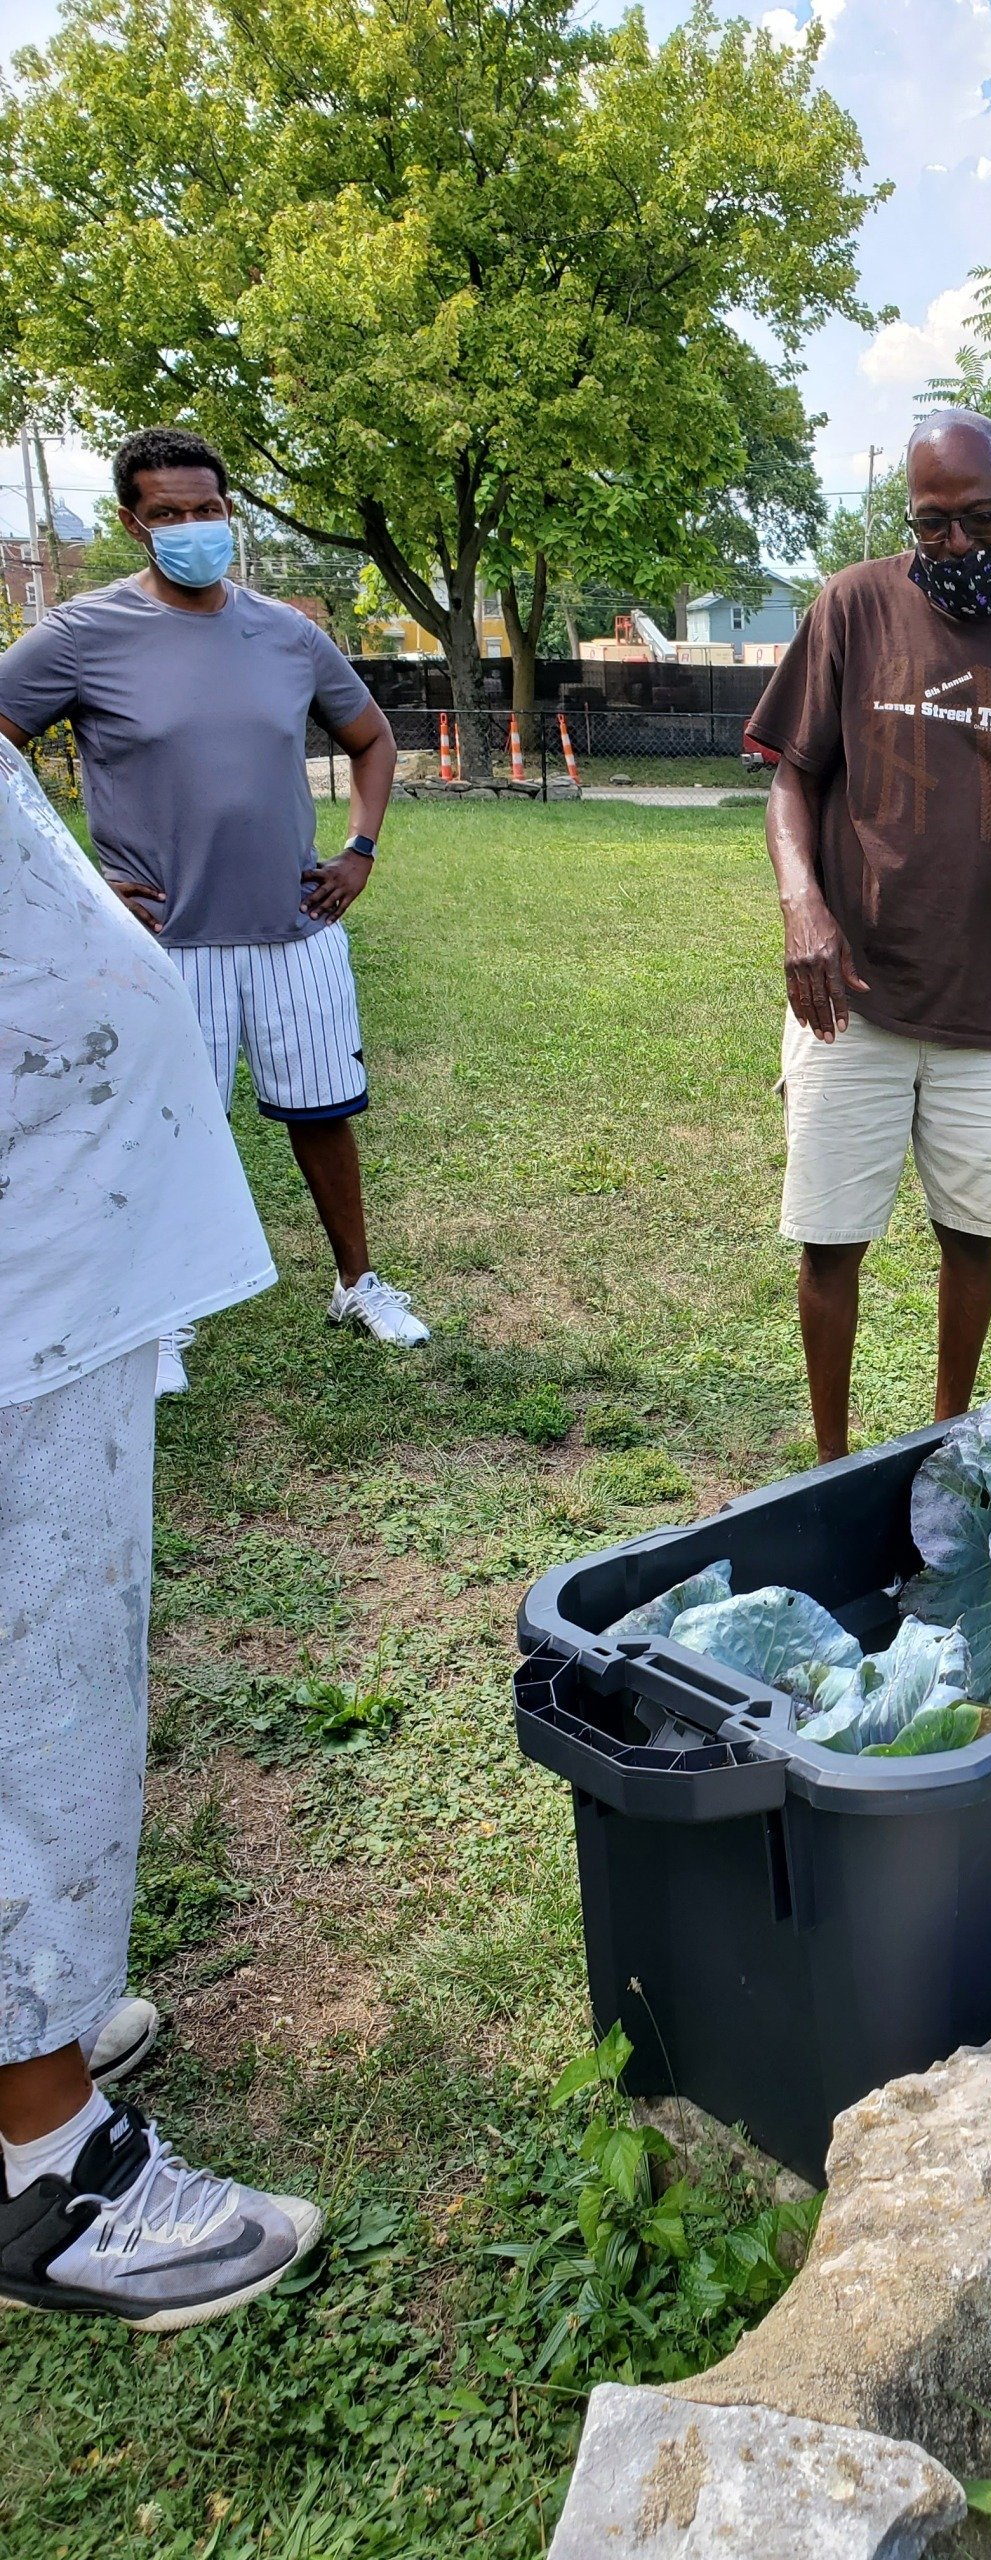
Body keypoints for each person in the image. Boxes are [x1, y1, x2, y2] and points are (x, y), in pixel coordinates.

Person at [0, 735, 325, 2327]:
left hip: (52, 1259)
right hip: (18, 1285)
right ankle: (44, 2163)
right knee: (33, 1693)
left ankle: (23, 2037)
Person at [0, 426, 427, 1396]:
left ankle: (357, 1280)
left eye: (209, 510)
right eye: (169, 514)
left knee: (323, 1113)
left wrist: (360, 849)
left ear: (228, 511)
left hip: (296, 928)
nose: (194, 528)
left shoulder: (286, 632)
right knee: (160, 1126)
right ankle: (158, 1328)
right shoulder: (81, 634)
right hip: (160, 941)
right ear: (131, 522)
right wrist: (76, 880)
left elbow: (371, 737)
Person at [752, 408, 991, 1459]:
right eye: (934, 526)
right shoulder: (853, 606)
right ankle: (829, 1463)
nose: (961, 546)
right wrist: (802, 904)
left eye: (981, 519)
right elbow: (793, 771)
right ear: (908, 518)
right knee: (830, 1242)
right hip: (855, 994)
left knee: (971, 1240)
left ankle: (942, 1447)